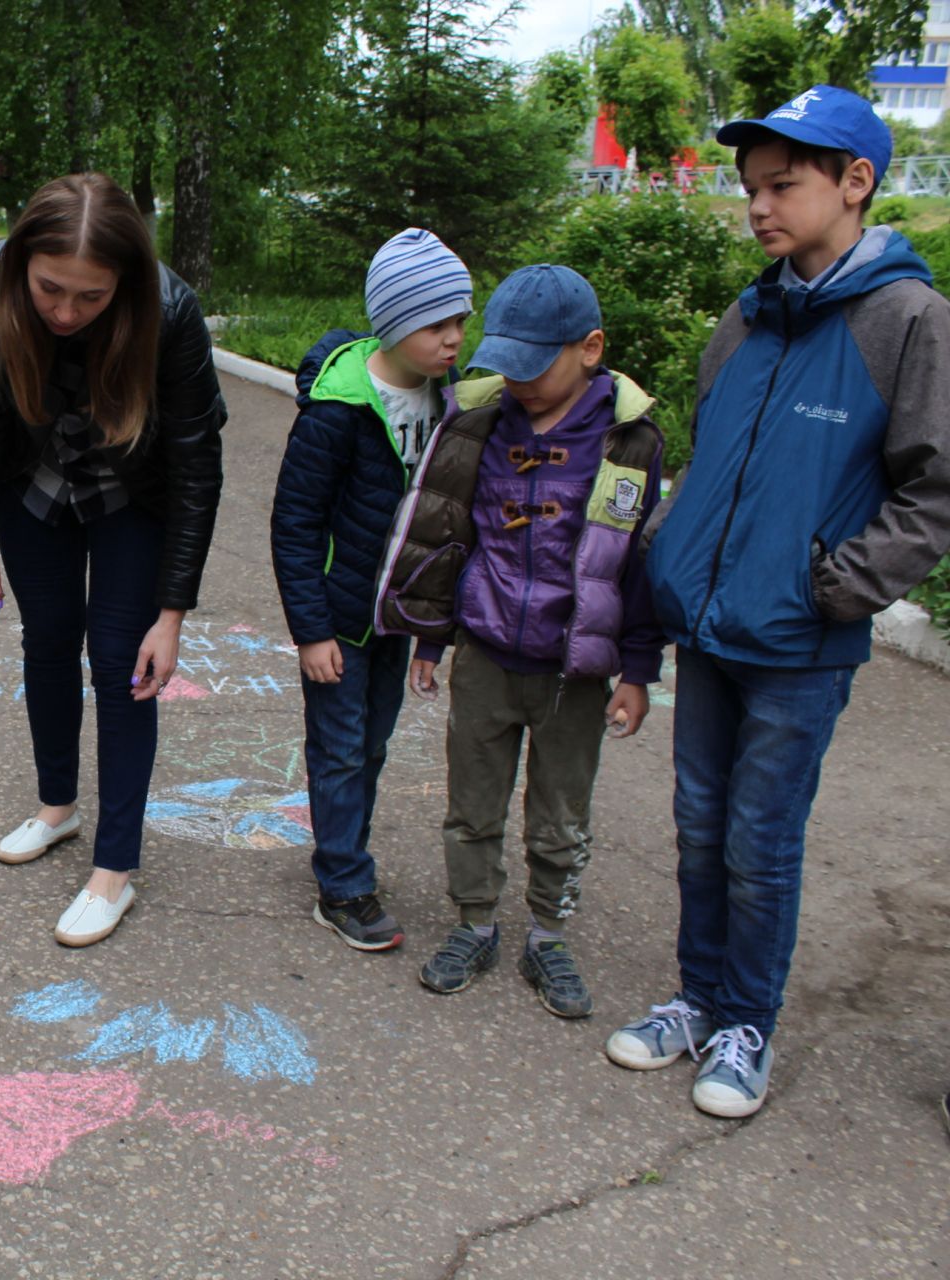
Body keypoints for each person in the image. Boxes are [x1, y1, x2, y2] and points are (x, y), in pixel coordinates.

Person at [612, 87, 950, 1119]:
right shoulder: (751, 313)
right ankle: (697, 996)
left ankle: (747, 1022)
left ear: (855, 183)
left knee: (763, 839)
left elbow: (933, 489)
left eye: (782, 185)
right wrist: (671, 555)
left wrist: (837, 587)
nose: (759, 206)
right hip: (711, 627)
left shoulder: (908, 321)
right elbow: (712, 454)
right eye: (752, 187)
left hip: (801, 644)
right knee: (699, 823)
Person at [377, 265, 664, 1019]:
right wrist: (432, 640)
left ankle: (548, 935)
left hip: (576, 671)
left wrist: (638, 669)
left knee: (561, 813)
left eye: (535, 367)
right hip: (485, 653)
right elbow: (446, 535)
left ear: (591, 349)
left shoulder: (629, 444)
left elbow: (637, 567)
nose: (518, 382)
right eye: (505, 364)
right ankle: (475, 922)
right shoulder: (477, 423)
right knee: (472, 805)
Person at [0, 172, 227, 947]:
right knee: (45, 640)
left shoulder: (169, 311)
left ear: (126, 284)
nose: (67, 313)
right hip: (33, 485)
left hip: (131, 490)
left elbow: (195, 469)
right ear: (21, 266)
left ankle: (116, 868)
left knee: (121, 664)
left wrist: (172, 614)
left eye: (91, 298)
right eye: (50, 291)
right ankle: (58, 809)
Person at [271, 228, 473, 953]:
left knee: (374, 742)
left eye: (461, 321)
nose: (454, 339)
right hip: (340, 618)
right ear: (393, 322)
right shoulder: (338, 409)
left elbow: (444, 529)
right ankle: (344, 883)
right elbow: (294, 523)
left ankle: (341, 851)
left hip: (397, 617)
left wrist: (430, 633)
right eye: (436, 324)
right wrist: (311, 630)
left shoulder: (451, 406)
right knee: (341, 747)